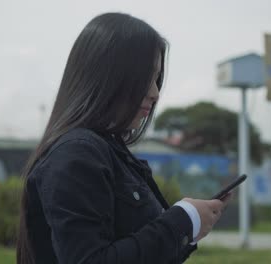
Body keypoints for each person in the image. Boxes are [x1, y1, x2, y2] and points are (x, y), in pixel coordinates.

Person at [16, 12, 231, 264]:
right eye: (145, 77)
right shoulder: (76, 154)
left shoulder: (108, 150)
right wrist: (182, 220)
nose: (155, 93)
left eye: (157, 79)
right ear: (107, 75)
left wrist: (192, 226)